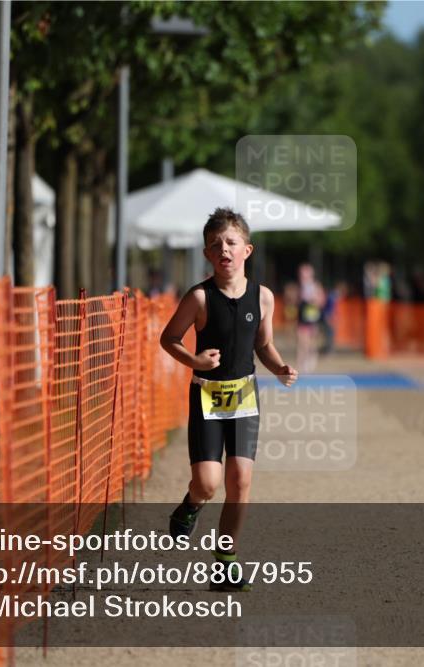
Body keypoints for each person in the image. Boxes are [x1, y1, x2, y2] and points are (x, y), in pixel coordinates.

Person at [159, 208, 297, 592]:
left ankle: (225, 562)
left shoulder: (263, 297)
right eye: (215, 244)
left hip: (245, 396)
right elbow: (168, 338)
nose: (224, 249)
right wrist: (194, 359)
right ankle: (190, 506)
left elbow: (263, 344)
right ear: (206, 254)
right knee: (207, 482)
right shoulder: (199, 297)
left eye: (231, 242)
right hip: (206, 394)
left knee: (240, 480)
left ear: (247, 250)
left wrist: (280, 367)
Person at [296, 263, 325, 373]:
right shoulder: (300, 286)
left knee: (311, 341)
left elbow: (321, 301)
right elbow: (297, 302)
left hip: (312, 317)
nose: (303, 276)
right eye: (301, 274)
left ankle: (311, 358)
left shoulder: (315, 286)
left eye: (305, 274)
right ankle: (300, 364)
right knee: (301, 341)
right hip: (302, 317)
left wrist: (313, 300)